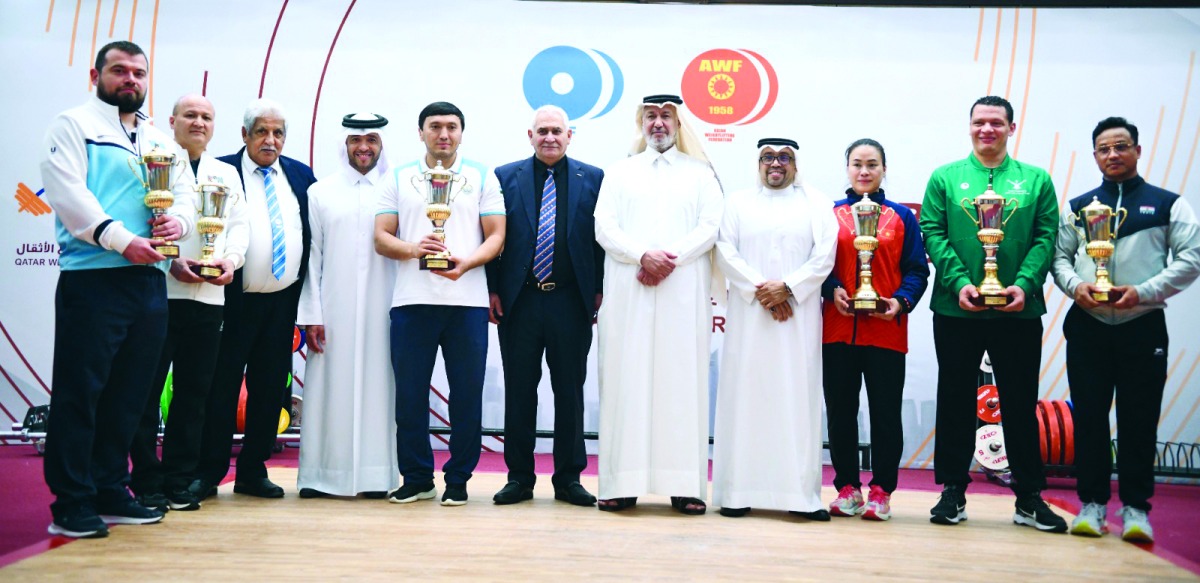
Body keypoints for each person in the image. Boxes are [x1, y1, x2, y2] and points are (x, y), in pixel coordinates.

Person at [39, 40, 189, 537]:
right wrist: (121, 240)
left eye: (138, 73)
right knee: (81, 393)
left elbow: (183, 195)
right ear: (95, 75)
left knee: (129, 396)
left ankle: (109, 488)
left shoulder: (158, 139)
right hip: (93, 278)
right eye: (119, 70)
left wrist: (180, 224)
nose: (130, 79)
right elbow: (68, 193)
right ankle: (71, 502)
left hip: (148, 280)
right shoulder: (73, 124)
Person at [920, 95, 1066, 533]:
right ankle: (952, 491)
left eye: (996, 123)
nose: (987, 129)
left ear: (1011, 128)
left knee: (1019, 403)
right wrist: (959, 282)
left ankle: (1029, 497)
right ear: (969, 127)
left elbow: (1046, 235)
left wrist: (1025, 284)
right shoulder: (945, 177)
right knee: (954, 401)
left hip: (1018, 311)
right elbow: (932, 231)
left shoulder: (1036, 179)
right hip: (957, 308)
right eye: (980, 122)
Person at [1052, 117, 1200, 542]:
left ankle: (1136, 509)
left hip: (1142, 325)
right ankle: (1092, 505)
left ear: (1137, 150)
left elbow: (1191, 257)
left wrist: (1143, 292)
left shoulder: (1168, 204)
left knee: (1139, 419)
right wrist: (1076, 287)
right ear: (1094, 155)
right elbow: (1059, 258)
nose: (1112, 154)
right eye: (1104, 148)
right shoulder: (1079, 206)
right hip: (1089, 325)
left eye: (1121, 146)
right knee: (1090, 418)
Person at [592, 94, 723, 515]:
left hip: (682, 291)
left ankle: (684, 486)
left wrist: (667, 260)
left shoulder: (701, 174)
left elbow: (710, 227)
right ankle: (621, 483)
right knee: (625, 380)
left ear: (679, 124)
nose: (659, 123)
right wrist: (641, 256)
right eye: (651, 116)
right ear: (641, 123)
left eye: (667, 116)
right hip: (629, 290)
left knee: (681, 383)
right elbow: (604, 227)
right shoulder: (620, 172)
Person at [374, 101, 506, 506]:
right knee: (410, 397)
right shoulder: (399, 176)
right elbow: (381, 237)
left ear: (461, 133)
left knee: (466, 396)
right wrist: (416, 249)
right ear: (421, 133)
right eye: (435, 126)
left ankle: (459, 479)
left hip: (467, 303)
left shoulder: (481, 175)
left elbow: (497, 236)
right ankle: (417, 478)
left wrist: (466, 264)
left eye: (451, 126)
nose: (443, 134)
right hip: (412, 302)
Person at [128, 94, 248, 513]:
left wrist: (230, 263)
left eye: (206, 117)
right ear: (172, 120)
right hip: (160, 294)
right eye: (190, 115)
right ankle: (146, 480)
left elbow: (239, 227)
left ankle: (179, 479)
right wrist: (171, 263)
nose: (199, 122)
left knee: (195, 394)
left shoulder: (226, 173)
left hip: (210, 299)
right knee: (146, 393)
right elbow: (142, 223)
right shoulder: (153, 163)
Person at [192, 98, 316, 500]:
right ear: (245, 134)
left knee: (270, 388)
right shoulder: (221, 171)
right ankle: (208, 471)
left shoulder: (301, 175)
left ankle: (252, 471)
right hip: (231, 301)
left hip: (282, 303)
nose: (270, 140)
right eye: (262, 131)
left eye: (278, 133)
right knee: (221, 387)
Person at [711, 138, 838, 520]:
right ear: (759, 163)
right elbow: (724, 251)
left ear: (796, 165)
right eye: (768, 157)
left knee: (796, 400)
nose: (776, 164)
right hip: (749, 319)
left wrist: (789, 288)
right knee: (744, 398)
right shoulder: (737, 203)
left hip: (797, 320)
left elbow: (824, 256)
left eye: (784, 157)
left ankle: (800, 498)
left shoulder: (817, 204)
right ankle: (737, 493)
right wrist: (763, 290)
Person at [486, 105, 603, 507]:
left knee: (569, 391)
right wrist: (492, 289)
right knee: (520, 391)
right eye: (542, 131)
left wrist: (598, 289)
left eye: (557, 131)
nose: (549, 137)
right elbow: (491, 236)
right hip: (520, 301)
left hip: (571, 301)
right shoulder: (504, 177)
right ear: (530, 136)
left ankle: (569, 479)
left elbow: (600, 240)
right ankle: (519, 478)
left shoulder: (594, 178)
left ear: (570, 135)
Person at [821, 139, 929, 521]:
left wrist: (900, 302)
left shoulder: (902, 217)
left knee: (885, 414)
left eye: (872, 164)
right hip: (837, 329)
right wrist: (831, 289)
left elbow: (917, 270)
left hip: (886, 330)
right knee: (840, 412)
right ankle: (847, 488)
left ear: (884, 169)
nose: (864, 171)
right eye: (857, 164)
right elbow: (817, 264)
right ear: (847, 169)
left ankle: (882, 490)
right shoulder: (829, 215)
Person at [295, 113, 399, 499]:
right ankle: (321, 476)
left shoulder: (398, 190)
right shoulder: (321, 192)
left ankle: (376, 478)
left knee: (380, 390)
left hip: (385, 308)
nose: (364, 147)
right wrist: (312, 315)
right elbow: (312, 259)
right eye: (356, 140)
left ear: (382, 145)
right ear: (345, 145)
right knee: (328, 390)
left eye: (371, 140)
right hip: (332, 311)